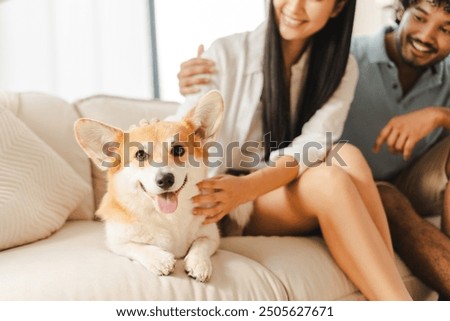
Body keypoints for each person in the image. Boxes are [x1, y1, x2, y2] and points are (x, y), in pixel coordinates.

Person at [178, 0, 450, 300]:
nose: (296, 6)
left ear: (337, 8)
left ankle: (392, 298)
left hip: (261, 188)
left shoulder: (341, 67)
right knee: (331, 179)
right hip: (224, 198)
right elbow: (181, 129)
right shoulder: (228, 53)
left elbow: (313, 145)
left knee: (347, 156)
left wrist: (247, 187)